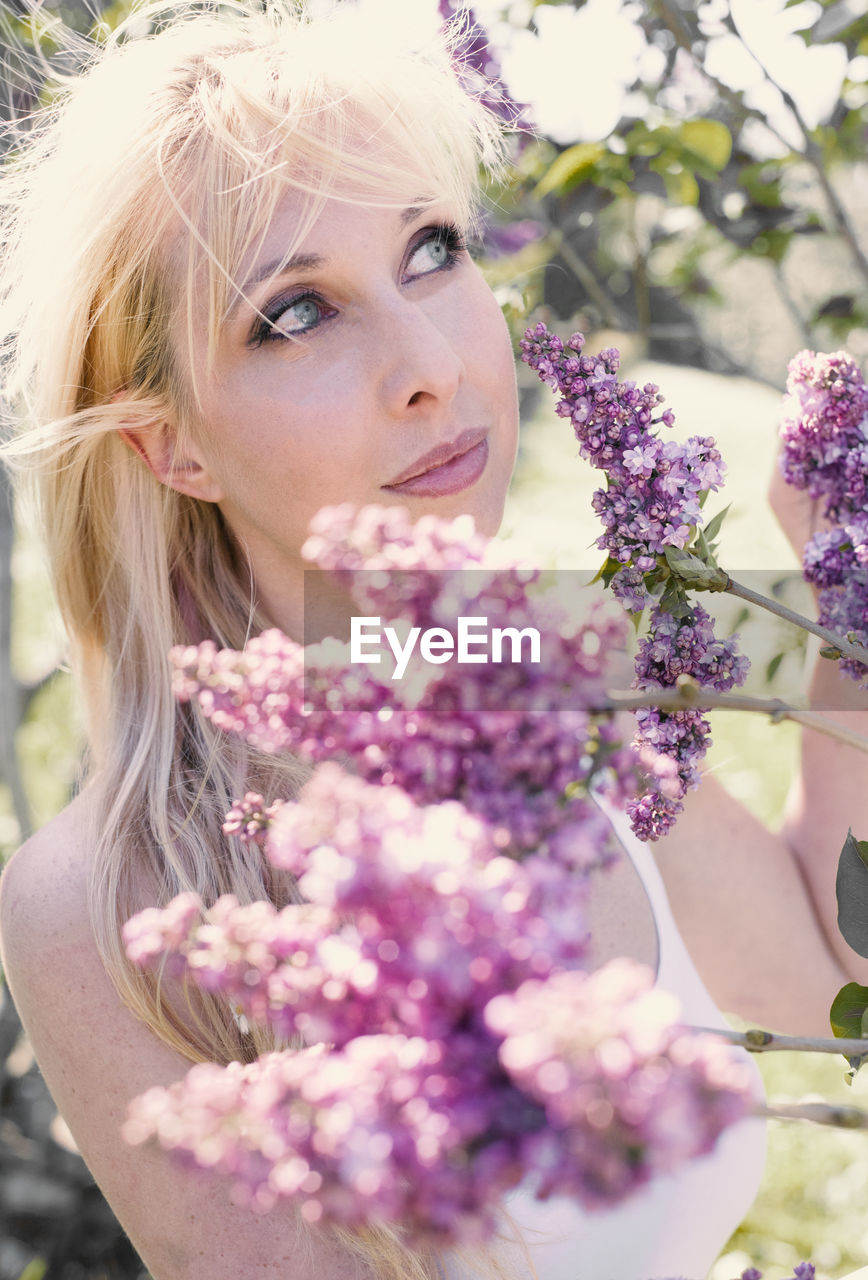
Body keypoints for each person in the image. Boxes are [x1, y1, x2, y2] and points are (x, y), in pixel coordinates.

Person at [0, 3, 865, 1278]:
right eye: (293, 313)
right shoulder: (109, 906)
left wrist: (838, 584)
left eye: (430, 248)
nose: (430, 367)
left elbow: (825, 974)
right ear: (168, 443)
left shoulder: (534, 679)